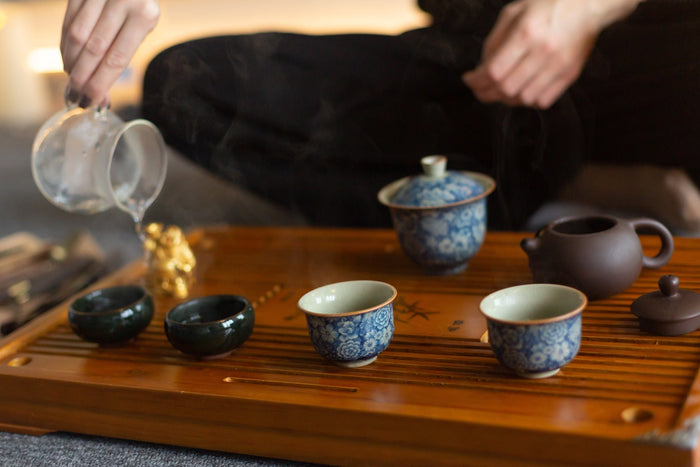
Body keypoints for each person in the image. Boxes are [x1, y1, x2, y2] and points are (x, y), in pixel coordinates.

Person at [60, 0, 699, 230]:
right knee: (182, 86)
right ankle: (579, 181)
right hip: (471, 63)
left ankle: (529, 181)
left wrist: (587, 7)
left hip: (653, 53)